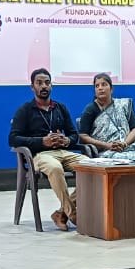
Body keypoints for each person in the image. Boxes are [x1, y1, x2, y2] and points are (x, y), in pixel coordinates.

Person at [9, 69, 83, 230]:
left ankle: (61, 213)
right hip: (40, 155)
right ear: (32, 87)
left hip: (63, 152)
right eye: (39, 83)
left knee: (92, 167)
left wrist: (67, 140)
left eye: (47, 83)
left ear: (51, 86)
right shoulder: (25, 110)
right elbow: (13, 139)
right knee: (55, 168)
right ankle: (72, 213)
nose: (44, 86)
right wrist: (42, 141)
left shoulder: (60, 108)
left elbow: (73, 134)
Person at [78, 73, 135, 162]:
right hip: (105, 152)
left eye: (104, 84)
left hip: (129, 148)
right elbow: (83, 136)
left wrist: (124, 144)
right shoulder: (90, 109)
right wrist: (107, 145)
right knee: (120, 159)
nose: (100, 88)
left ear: (111, 89)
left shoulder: (123, 105)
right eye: (97, 86)